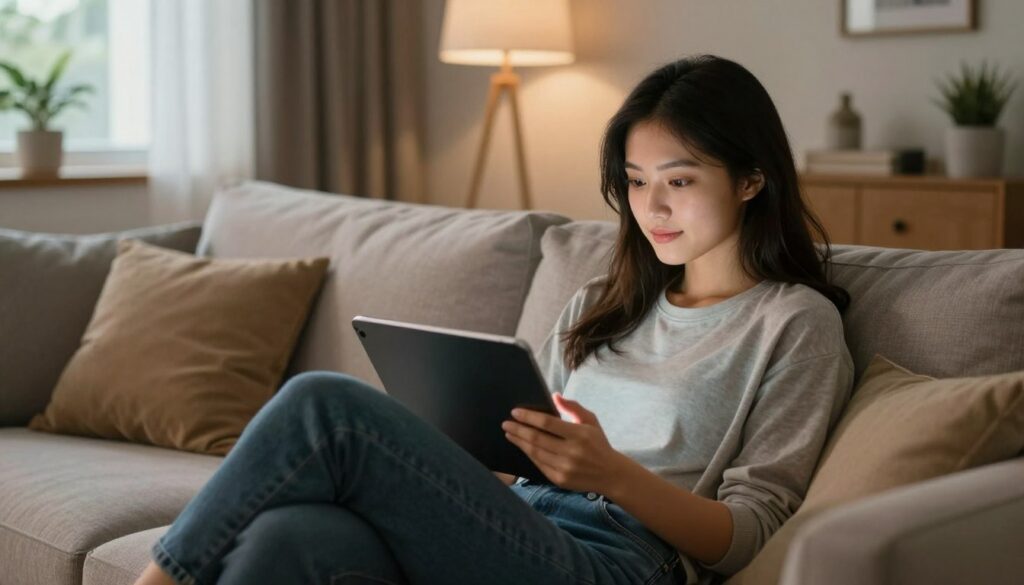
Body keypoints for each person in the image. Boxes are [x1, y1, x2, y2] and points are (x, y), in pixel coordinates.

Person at [133, 53, 855, 585]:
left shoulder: (794, 324)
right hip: (517, 528)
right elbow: (509, 471)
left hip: (621, 558)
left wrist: (615, 475)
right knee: (289, 537)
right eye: (636, 182)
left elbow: (753, 532)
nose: (652, 207)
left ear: (753, 179)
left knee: (325, 406)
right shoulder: (599, 309)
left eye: (680, 181)